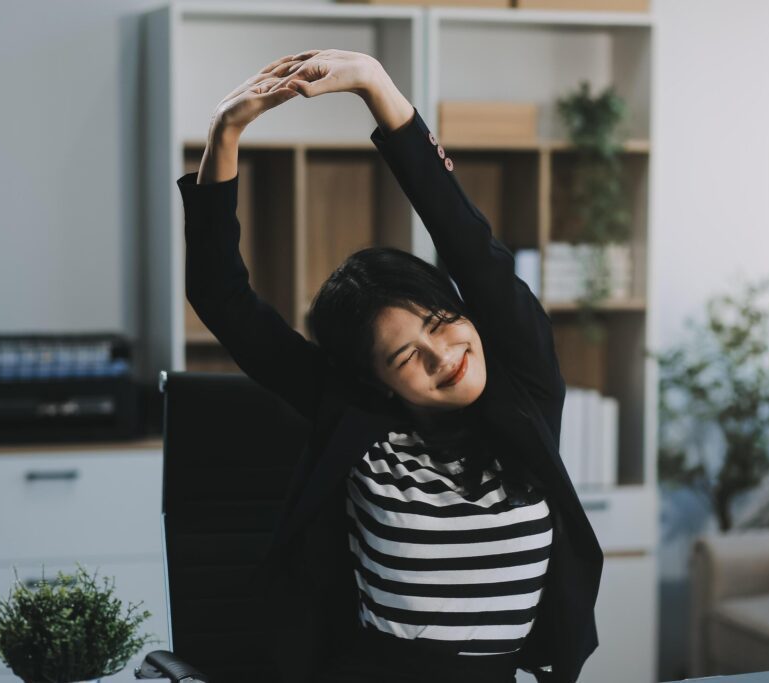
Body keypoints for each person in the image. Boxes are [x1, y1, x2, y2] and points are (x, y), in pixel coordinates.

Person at [177, 49, 604, 683]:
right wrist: (225, 133)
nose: (445, 356)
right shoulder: (357, 419)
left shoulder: (525, 397)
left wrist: (379, 88)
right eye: (407, 355)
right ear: (375, 378)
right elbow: (222, 298)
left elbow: (467, 242)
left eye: (441, 323)